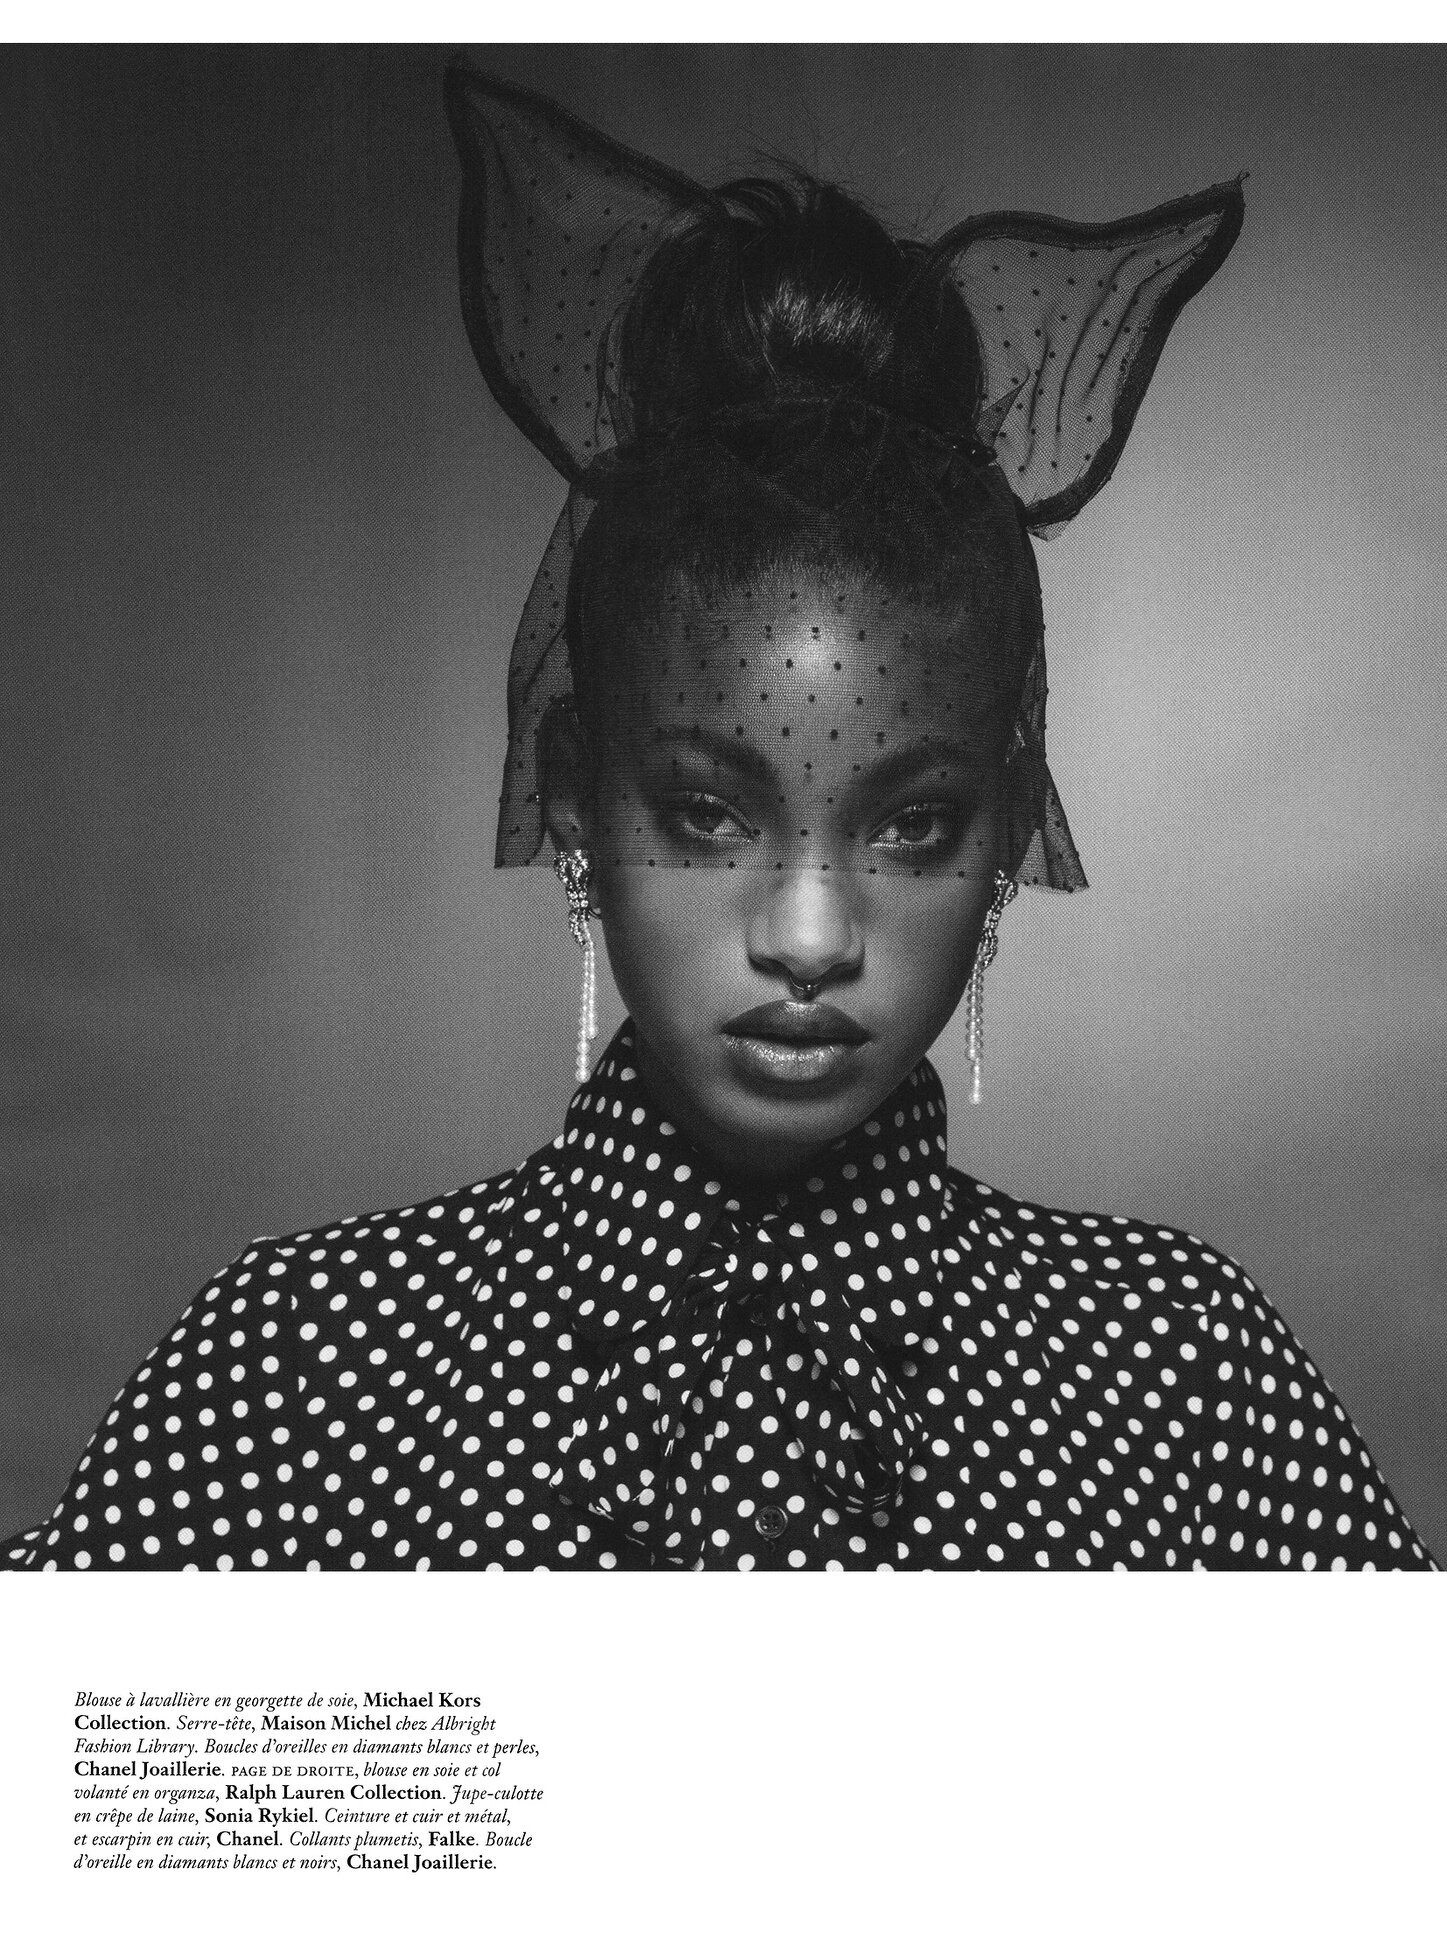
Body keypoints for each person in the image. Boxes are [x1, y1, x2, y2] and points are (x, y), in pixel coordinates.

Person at [4, 63, 1434, 1573]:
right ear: (575, 793)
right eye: (704, 812)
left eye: (914, 826)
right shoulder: (295, 1368)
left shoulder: (1181, 1375)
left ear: (1009, 830)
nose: (810, 935)